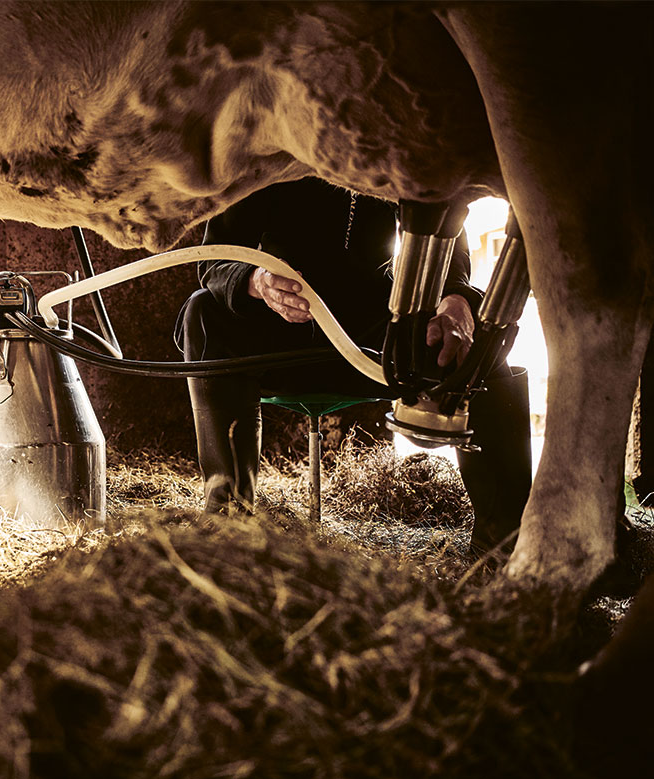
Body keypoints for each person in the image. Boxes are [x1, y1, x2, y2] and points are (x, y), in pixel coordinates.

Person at [175, 177, 532, 554]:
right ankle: (228, 523)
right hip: (279, 332)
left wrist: (456, 295)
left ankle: (505, 542)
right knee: (202, 310)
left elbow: (444, 226)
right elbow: (214, 260)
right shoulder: (269, 146)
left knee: (479, 342)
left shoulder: (393, 144)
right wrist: (257, 281)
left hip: (380, 339)